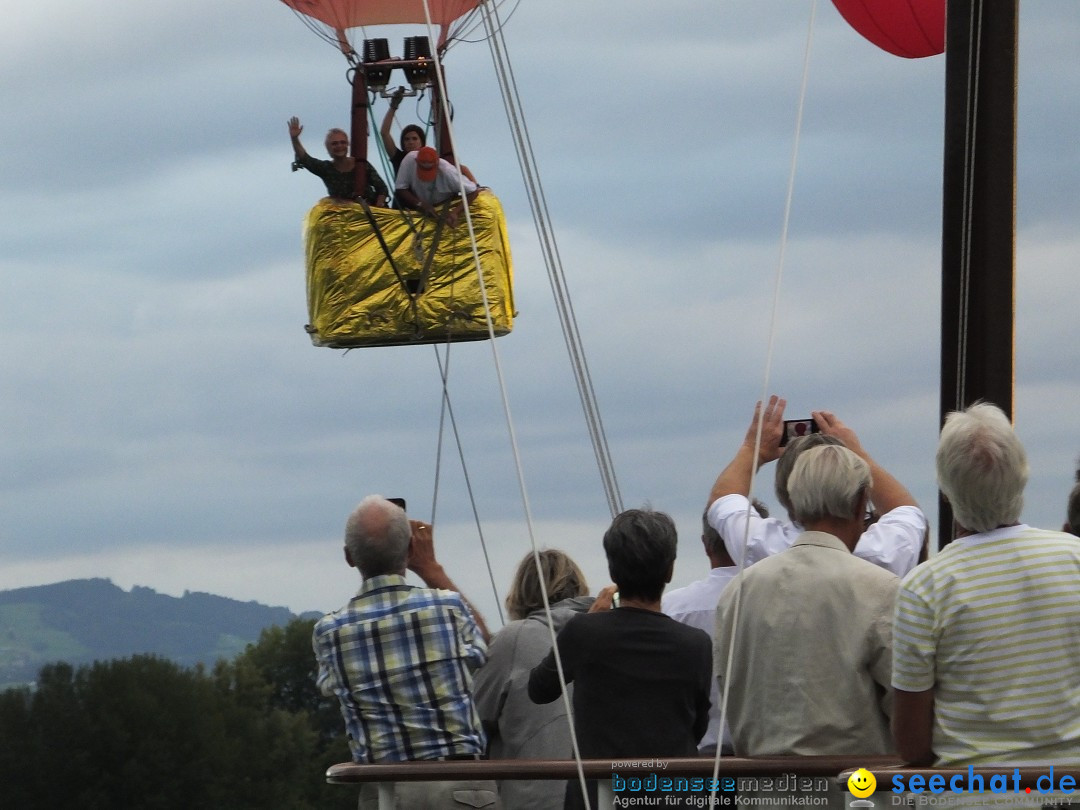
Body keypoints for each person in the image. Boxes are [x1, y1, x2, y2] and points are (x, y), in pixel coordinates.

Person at [892, 403, 1080, 769]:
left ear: (945, 490)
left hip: (970, 791)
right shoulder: (1075, 558)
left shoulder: (925, 588)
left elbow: (911, 745)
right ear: (1022, 478)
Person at [714, 444, 898, 807]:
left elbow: (729, 688)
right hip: (851, 796)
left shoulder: (740, 589)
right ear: (862, 504)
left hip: (761, 794)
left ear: (793, 506)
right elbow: (905, 703)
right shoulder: (881, 590)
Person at [312, 495, 499, 809]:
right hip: (461, 786)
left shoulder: (329, 631)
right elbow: (483, 645)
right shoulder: (447, 607)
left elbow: (329, 688)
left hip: (383, 791)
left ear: (349, 557)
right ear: (412, 549)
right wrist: (431, 568)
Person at [528, 509, 712, 810]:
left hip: (597, 797)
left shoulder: (584, 632)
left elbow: (539, 689)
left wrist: (587, 623)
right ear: (669, 570)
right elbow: (697, 726)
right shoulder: (695, 644)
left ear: (613, 572)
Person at [707, 395, 927, 577]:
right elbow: (906, 510)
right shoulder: (887, 552)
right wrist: (858, 454)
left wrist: (752, 450)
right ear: (860, 500)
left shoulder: (762, 547)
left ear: (786, 496)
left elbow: (722, 499)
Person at [473, 551, 593, 810]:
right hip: (598, 798)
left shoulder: (513, 639)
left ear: (520, 592)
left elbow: (474, 718)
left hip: (532, 799)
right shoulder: (602, 635)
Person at [661, 508, 747, 756]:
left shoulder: (673, 607)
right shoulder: (777, 600)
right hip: (763, 764)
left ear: (706, 545)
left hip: (694, 763)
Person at [288, 117, 388, 206]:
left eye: (342, 142)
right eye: (334, 144)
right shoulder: (326, 168)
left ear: (347, 144)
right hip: (343, 220)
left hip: (369, 215)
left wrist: (378, 206)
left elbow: (382, 188)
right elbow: (305, 159)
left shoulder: (361, 165)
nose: (339, 146)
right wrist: (294, 139)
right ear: (328, 148)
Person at [395, 146, 479, 228]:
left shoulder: (448, 171)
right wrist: (419, 204)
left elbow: (473, 191)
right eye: (423, 169)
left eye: (429, 169)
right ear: (416, 161)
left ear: (437, 163)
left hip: (446, 205)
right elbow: (400, 188)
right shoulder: (409, 160)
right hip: (420, 208)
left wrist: (455, 212)